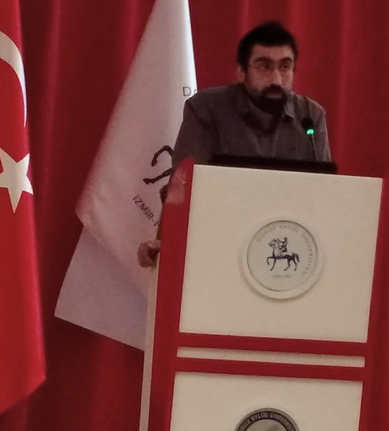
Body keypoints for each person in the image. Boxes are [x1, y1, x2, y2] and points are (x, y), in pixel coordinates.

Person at [138, 21, 330, 267]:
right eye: (264, 66)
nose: (276, 79)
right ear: (241, 72)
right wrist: (167, 240)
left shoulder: (311, 116)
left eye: (285, 67)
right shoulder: (207, 108)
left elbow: (324, 192)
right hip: (217, 242)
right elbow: (185, 184)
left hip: (289, 239)